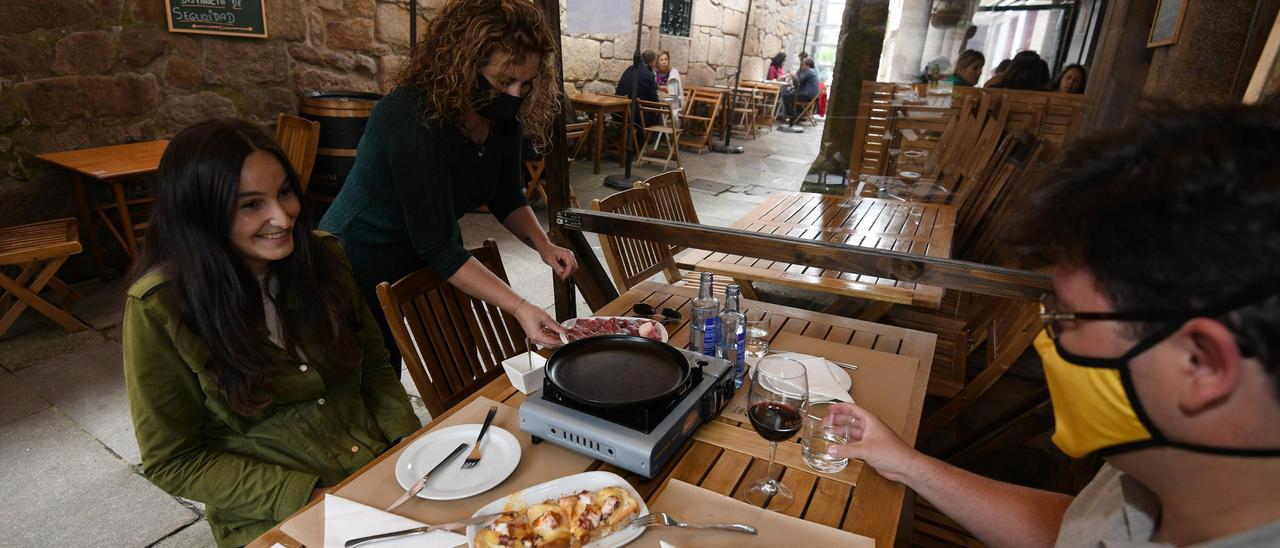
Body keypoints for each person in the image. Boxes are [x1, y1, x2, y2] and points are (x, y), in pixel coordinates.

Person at [825, 104, 1280, 546]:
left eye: (1066, 318)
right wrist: (904, 462)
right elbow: (1078, 530)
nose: (1046, 342)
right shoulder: (1165, 464)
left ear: (1201, 363)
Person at [123, 119, 422, 547]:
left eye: (284, 193)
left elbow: (374, 365)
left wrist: (406, 443)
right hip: (272, 516)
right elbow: (174, 460)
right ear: (199, 213)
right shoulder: (158, 308)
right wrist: (305, 495)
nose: (281, 218)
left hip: (378, 471)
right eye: (250, 205)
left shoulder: (325, 257)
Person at [319, 0, 577, 374]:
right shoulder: (411, 117)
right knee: (376, 368)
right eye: (504, 81)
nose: (516, 95)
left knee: (456, 363)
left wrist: (544, 244)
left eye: (527, 83)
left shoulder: (503, 120)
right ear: (463, 64)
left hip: (426, 252)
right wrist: (520, 307)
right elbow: (438, 246)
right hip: (357, 256)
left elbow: (505, 196)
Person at [615, 49, 662, 129]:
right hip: (634, 118)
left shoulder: (628, 69)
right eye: (655, 62)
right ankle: (648, 141)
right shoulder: (649, 75)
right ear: (652, 62)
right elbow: (655, 103)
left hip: (618, 114)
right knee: (658, 117)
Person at [782, 57, 818, 124]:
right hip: (810, 95)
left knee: (786, 95)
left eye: (803, 65)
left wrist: (793, 76)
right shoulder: (813, 71)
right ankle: (795, 114)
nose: (802, 66)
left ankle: (791, 115)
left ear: (807, 65)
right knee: (790, 94)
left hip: (807, 95)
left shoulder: (809, 71)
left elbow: (798, 81)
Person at [654, 49, 684, 118]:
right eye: (661, 60)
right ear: (657, 62)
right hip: (658, 102)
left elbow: (675, 94)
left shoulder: (673, 72)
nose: (664, 62)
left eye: (666, 59)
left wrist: (667, 90)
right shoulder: (654, 73)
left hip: (672, 104)